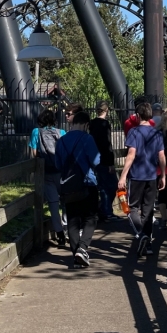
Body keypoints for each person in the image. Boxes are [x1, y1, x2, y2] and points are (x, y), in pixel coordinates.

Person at [117, 102, 165, 257]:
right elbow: (162, 156)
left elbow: (131, 154)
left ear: (137, 116)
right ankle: (148, 243)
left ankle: (141, 233)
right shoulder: (157, 133)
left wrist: (123, 175)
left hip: (137, 175)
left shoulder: (134, 132)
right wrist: (163, 175)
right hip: (152, 175)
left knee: (132, 208)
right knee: (148, 210)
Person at [54, 110, 101, 268]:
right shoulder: (87, 138)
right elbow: (96, 160)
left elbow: (58, 164)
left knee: (73, 220)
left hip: (68, 185)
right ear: (86, 124)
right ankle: (83, 247)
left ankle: (77, 255)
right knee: (91, 218)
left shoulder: (61, 141)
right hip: (87, 184)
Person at [29, 108, 67, 247]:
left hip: (46, 172)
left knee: (53, 203)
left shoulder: (36, 132)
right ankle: (67, 227)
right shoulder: (61, 132)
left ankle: (59, 233)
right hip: (61, 172)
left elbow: (34, 153)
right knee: (65, 200)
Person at [88, 101, 118, 222]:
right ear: (106, 111)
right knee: (111, 185)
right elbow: (107, 143)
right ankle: (106, 211)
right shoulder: (105, 124)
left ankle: (104, 210)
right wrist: (111, 162)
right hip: (105, 158)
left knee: (102, 186)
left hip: (94, 157)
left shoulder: (92, 123)